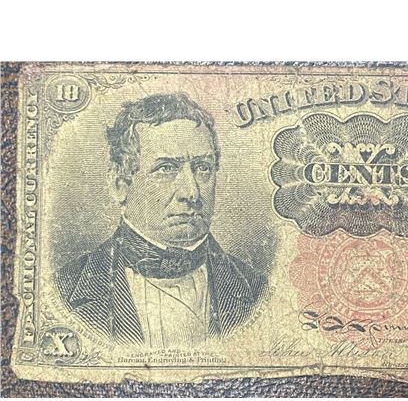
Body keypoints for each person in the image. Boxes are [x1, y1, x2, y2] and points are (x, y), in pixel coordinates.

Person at [55, 93, 266, 348]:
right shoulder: (65, 288)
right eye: (166, 168)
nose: (191, 193)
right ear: (120, 184)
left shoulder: (257, 290)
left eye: (203, 168)